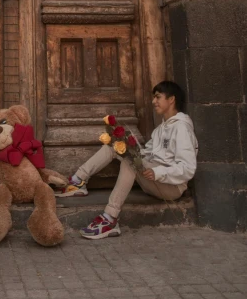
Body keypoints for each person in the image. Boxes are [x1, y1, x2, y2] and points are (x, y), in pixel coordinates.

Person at [60, 81, 198, 240]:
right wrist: (128, 145)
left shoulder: (182, 128)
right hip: (152, 180)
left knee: (129, 161)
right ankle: (78, 181)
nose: (153, 102)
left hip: (171, 188)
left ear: (172, 99)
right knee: (115, 146)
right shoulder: (161, 128)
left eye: (158, 97)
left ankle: (110, 218)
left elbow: (187, 168)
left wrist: (157, 172)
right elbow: (148, 154)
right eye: (154, 98)